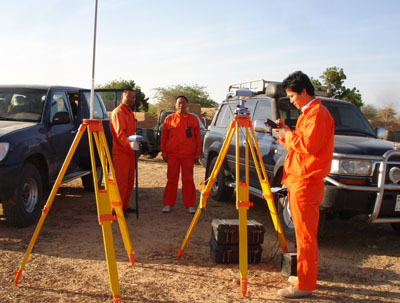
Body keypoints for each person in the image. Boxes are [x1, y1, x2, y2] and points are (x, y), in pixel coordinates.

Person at [273, 71, 334, 298]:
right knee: (301, 235)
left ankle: (305, 284)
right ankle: (303, 275)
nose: (291, 101)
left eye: (291, 96)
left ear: (304, 92)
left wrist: (288, 135)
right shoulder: (308, 114)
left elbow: (309, 145)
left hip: (306, 181)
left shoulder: (317, 114)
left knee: (306, 236)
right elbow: (300, 144)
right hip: (300, 178)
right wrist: (285, 133)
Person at [161, 96, 201, 214]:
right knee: (171, 179)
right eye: (179, 103)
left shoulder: (193, 119)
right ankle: (168, 203)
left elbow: (198, 138)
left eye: (183, 103)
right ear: (175, 105)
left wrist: (197, 154)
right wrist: (163, 152)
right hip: (173, 155)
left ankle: (190, 204)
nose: (181, 105)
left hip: (188, 155)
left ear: (187, 105)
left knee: (188, 180)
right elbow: (163, 138)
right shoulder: (169, 119)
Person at [110, 90, 137, 216]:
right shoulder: (118, 112)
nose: (131, 99)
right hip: (121, 152)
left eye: (133, 97)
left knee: (129, 181)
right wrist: (129, 144)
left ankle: (124, 206)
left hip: (130, 152)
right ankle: (117, 209)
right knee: (121, 182)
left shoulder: (130, 113)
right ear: (122, 97)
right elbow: (119, 134)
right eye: (129, 97)